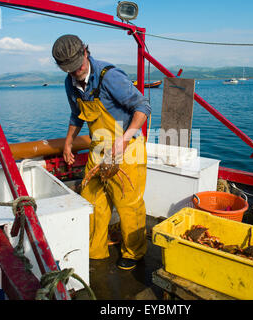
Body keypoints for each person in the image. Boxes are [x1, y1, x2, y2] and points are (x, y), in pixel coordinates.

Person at [52, 34, 151, 270]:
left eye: (77, 66)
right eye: (69, 69)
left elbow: (143, 106)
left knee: (128, 203)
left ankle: (134, 252)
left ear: (86, 52)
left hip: (127, 147)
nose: (75, 71)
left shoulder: (110, 76)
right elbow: (77, 114)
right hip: (99, 147)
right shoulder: (70, 82)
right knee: (91, 198)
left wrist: (125, 139)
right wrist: (68, 142)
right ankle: (96, 248)